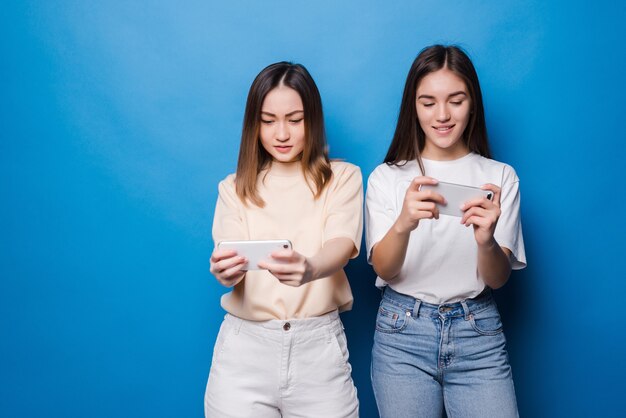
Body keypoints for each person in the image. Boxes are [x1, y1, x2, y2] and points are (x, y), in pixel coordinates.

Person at [366, 45, 527, 418]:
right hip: (402, 334)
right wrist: (404, 223)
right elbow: (385, 270)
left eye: (456, 100)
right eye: (428, 102)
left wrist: (486, 241)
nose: (442, 115)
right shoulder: (387, 178)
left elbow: (498, 279)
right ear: (413, 106)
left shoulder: (500, 177)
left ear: (472, 104)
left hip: (478, 331)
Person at [204, 62, 362, 418]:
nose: (282, 133)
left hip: (318, 349)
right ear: (254, 124)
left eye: (295, 119)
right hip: (244, 352)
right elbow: (230, 256)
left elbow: (341, 243)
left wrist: (310, 268)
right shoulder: (233, 188)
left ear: (313, 119)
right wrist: (226, 272)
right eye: (268, 120)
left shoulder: (343, 178)